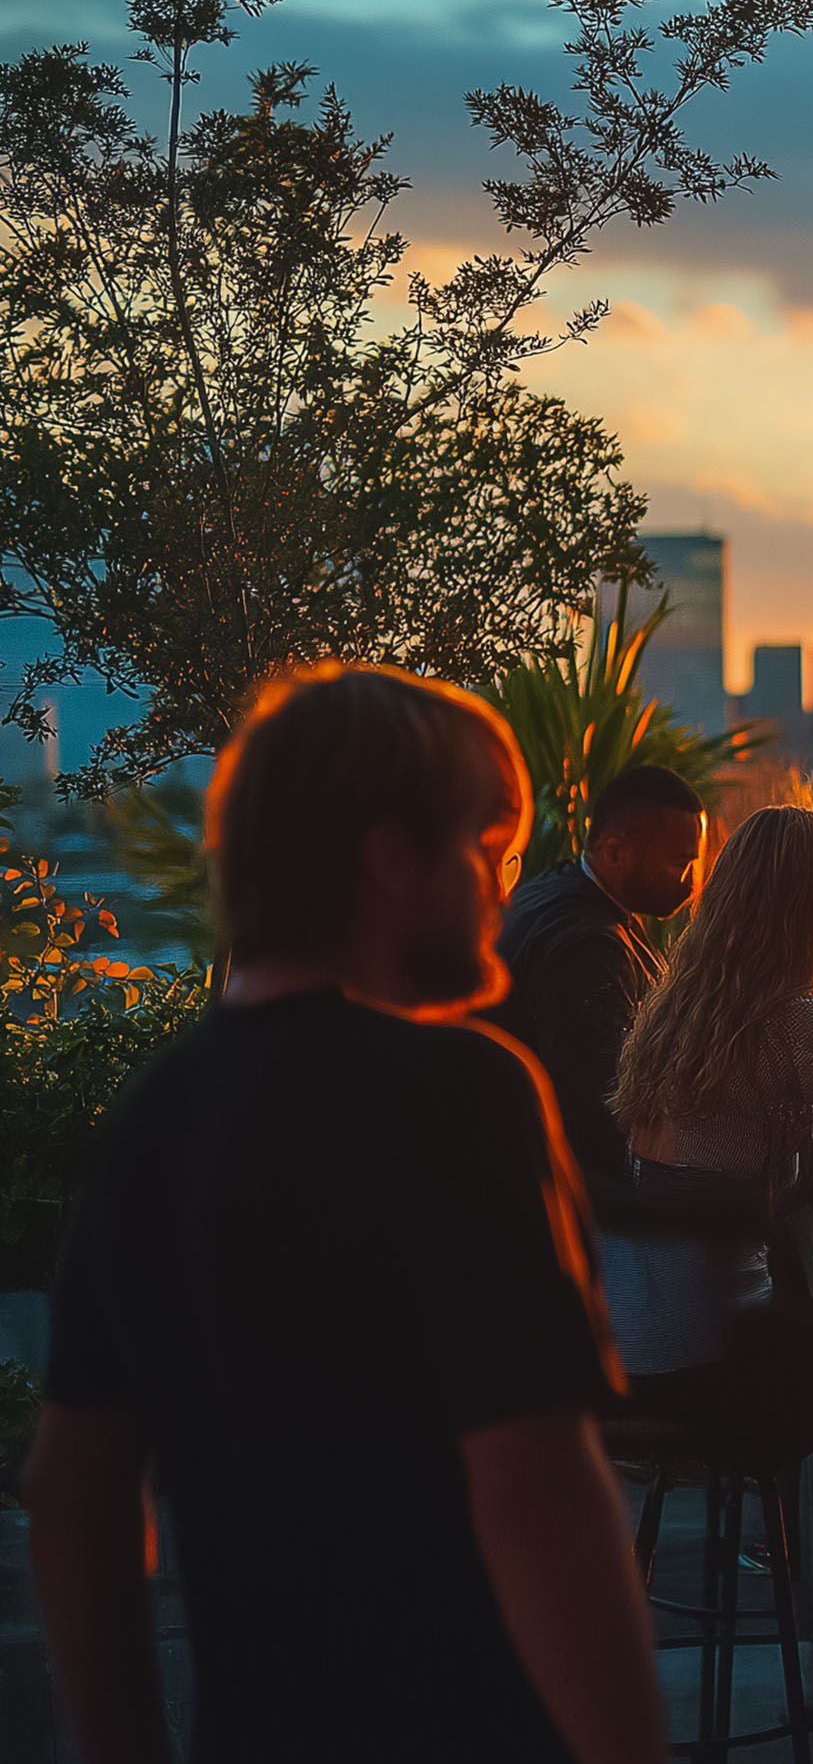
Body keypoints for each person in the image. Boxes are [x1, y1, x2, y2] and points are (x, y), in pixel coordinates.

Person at [28, 663, 661, 1764]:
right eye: (488, 850)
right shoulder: (463, 1089)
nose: (504, 890)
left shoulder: (158, 1108)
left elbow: (70, 1488)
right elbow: (537, 1488)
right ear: (391, 861)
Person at [605, 804, 813, 1467]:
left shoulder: (678, 1009)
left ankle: (781, 1531)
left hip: (628, 1357)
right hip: (711, 1364)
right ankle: (811, 1552)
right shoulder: (803, 1020)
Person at [490, 763, 707, 1224]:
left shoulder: (549, 892)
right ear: (614, 850)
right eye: (679, 863)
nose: (691, 884)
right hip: (560, 1215)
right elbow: (598, 1108)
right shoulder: (588, 947)